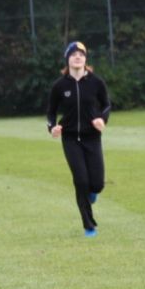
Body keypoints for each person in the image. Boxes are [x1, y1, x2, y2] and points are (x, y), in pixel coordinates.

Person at [46, 41, 111, 236]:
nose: (77, 57)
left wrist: (102, 119)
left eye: (81, 54)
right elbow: (51, 112)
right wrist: (52, 127)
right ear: (67, 59)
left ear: (85, 59)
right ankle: (89, 226)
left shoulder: (96, 82)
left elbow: (106, 105)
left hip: (92, 137)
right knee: (81, 180)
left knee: (97, 184)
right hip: (70, 138)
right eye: (73, 54)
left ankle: (92, 193)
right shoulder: (59, 86)